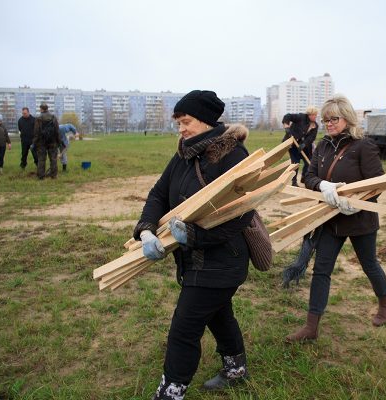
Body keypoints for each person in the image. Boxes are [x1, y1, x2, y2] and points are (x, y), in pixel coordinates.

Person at [133, 90, 253, 400]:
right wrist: (147, 230)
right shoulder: (184, 155)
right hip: (193, 259)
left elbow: (242, 213)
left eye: (186, 121)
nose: (181, 129)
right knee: (218, 313)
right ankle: (236, 368)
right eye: (178, 123)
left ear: (206, 120)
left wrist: (197, 237)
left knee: (184, 328)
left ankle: (172, 389)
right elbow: (159, 193)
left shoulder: (232, 155)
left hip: (223, 259)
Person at [286, 95, 386, 343]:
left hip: (359, 219)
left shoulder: (364, 146)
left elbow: (378, 184)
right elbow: (308, 176)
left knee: (369, 264)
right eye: (326, 120)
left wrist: (354, 202)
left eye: (334, 118)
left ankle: (385, 304)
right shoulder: (323, 146)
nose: (329, 124)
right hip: (329, 220)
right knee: (321, 270)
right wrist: (323, 185)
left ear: (347, 118)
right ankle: (311, 327)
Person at [282, 107, 318, 185]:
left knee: (309, 162)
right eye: (314, 115)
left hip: (304, 146)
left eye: (316, 115)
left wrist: (304, 144)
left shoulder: (315, 125)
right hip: (293, 144)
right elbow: (287, 116)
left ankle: (304, 177)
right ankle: (294, 182)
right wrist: (286, 126)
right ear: (309, 115)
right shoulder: (300, 117)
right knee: (295, 162)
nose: (315, 116)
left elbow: (312, 137)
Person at [33, 103, 61, 180]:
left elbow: (36, 132)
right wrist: (58, 141)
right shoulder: (53, 117)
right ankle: (54, 176)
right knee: (53, 159)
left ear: (41, 109)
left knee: (41, 159)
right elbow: (57, 130)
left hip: (41, 142)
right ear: (47, 108)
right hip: (52, 142)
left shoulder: (38, 118)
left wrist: (34, 143)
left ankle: (41, 176)